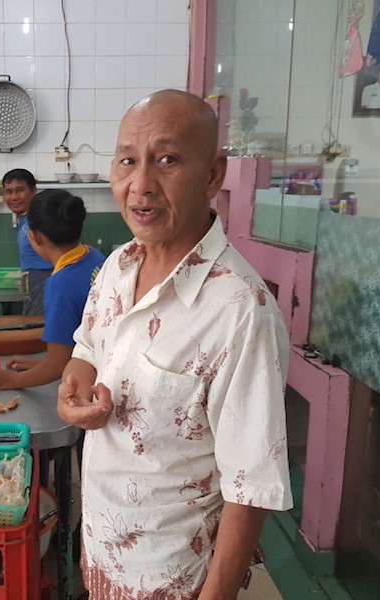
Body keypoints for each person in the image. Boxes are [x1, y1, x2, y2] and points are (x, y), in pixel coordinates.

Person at [57, 90, 292, 599]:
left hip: (175, 576)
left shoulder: (240, 310)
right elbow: (88, 348)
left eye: (167, 160)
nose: (141, 185)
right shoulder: (117, 266)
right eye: (128, 161)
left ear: (212, 175)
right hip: (103, 554)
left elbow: (251, 485)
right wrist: (73, 389)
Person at [0, 189, 105, 391]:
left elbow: (57, 365)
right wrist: (41, 364)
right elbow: (73, 346)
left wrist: (13, 380)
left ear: (35, 237)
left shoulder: (60, 284)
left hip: (95, 382)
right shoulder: (93, 255)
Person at [1, 168, 53, 316]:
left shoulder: (42, 219)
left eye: (20, 190)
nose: (14, 197)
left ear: (33, 190)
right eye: (9, 191)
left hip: (46, 281)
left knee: (38, 325)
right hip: (33, 281)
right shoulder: (25, 218)